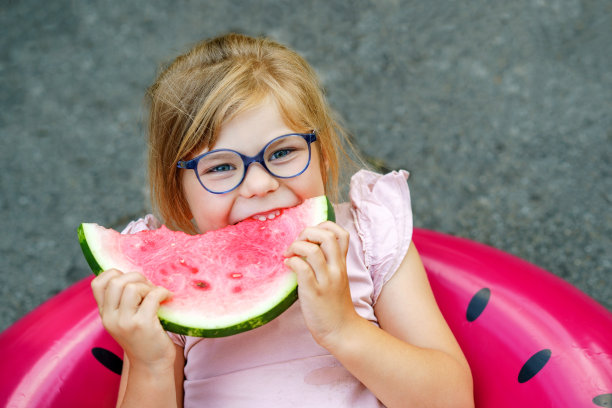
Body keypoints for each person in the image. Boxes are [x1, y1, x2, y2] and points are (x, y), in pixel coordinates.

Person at [91, 33, 474, 408]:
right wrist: (150, 363)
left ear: (322, 153)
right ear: (179, 190)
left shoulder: (368, 237)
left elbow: (453, 401)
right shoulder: (162, 287)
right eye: (221, 166)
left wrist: (343, 328)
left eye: (283, 152)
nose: (259, 184)